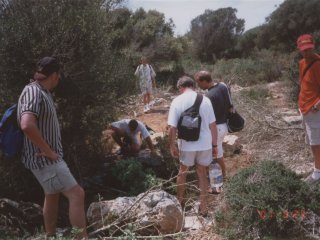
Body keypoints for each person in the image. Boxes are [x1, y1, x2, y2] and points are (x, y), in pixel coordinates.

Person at [17, 57, 87, 239]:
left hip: (45, 158)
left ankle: (50, 236)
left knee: (52, 194)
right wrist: (48, 151)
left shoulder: (42, 91)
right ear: (55, 75)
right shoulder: (33, 92)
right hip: (44, 158)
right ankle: (82, 238)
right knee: (77, 195)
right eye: (59, 76)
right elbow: (27, 125)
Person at [167, 76, 217, 215]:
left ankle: (180, 204)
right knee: (202, 174)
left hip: (186, 144)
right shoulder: (205, 100)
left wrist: (172, 146)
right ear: (193, 86)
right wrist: (214, 145)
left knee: (182, 172)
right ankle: (204, 208)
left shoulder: (177, 101)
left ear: (180, 88)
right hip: (205, 143)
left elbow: (172, 128)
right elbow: (213, 125)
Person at [195, 71, 233, 193]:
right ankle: (224, 178)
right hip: (224, 125)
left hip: (215, 129)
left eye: (199, 83)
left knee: (213, 157)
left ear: (204, 81)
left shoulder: (208, 97)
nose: (199, 86)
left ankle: (216, 184)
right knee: (219, 153)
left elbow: (206, 118)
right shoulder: (222, 86)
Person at [296, 34, 320, 185]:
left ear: (313, 46)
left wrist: (318, 104)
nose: (307, 52)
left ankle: (318, 173)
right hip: (305, 109)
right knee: (312, 142)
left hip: (315, 109)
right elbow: (304, 84)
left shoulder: (318, 64)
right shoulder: (302, 63)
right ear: (299, 49)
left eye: (309, 49)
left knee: (317, 143)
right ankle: (317, 168)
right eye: (304, 50)